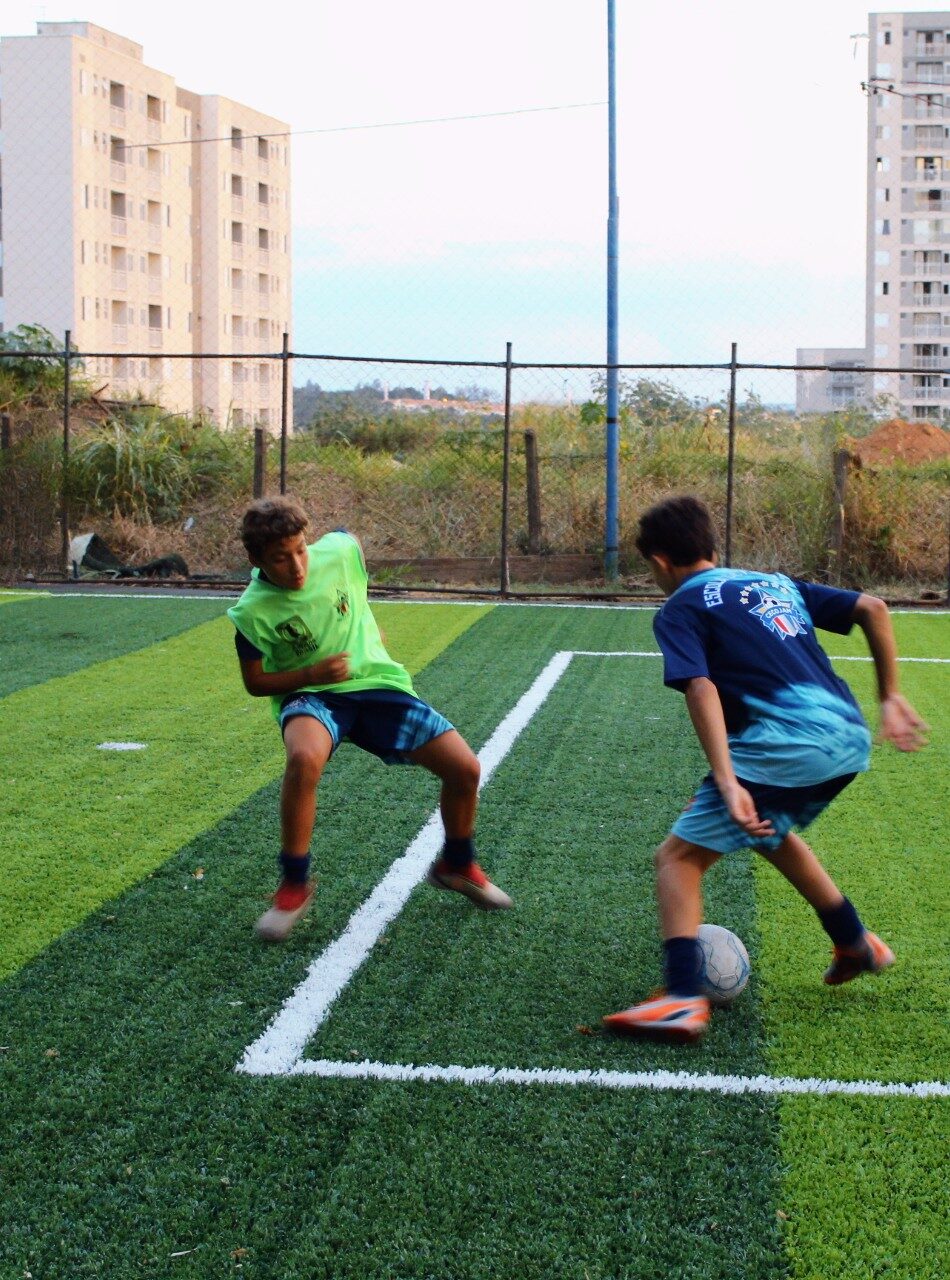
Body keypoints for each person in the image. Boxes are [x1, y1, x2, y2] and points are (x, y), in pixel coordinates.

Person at [603, 495, 928, 1043]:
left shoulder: (680, 607)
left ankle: (682, 1000)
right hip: (846, 734)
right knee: (768, 832)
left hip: (788, 743)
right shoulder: (772, 582)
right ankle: (855, 941)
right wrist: (889, 696)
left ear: (659, 562)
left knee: (677, 859)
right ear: (711, 544)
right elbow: (872, 607)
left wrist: (727, 782)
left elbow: (700, 686)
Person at [227, 497, 512, 941]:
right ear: (256, 559)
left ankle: (457, 864)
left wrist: (364, 609)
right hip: (313, 697)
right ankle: (294, 886)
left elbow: (351, 542)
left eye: (301, 550)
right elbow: (255, 681)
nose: (297, 566)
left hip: (377, 686)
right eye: (281, 559)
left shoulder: (337, 552)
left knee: (465, 768)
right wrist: (312, 674)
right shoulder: (251, 611)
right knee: (303, 759)